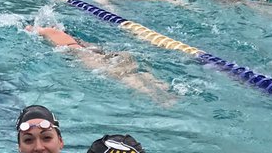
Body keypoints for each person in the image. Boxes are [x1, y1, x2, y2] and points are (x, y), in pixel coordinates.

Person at [25, 26, 171, 99]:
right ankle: (162, 88)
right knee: (134, 73)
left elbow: (33, 30)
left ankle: (159, 98)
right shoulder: (86, 46)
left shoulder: (65, 42)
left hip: (102, 62)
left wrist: (31, 28)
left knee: (126, 77)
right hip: (112, 56)